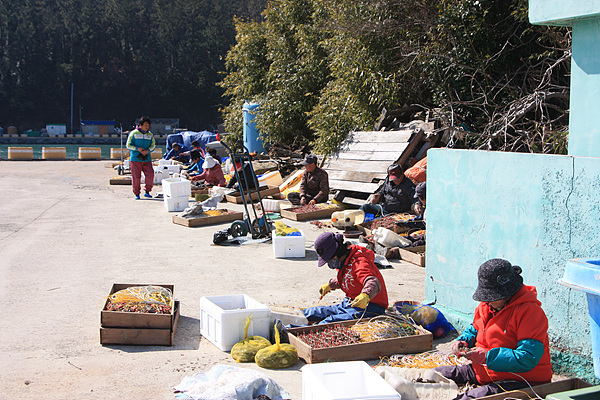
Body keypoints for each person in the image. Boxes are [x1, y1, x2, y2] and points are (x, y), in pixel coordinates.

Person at [435, 259, 552, 400]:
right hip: (485, 371)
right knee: (434, 375)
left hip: (521, 379)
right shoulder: (488, 305)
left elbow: (527, 357)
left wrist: (488, 357)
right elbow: (476, 327)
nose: (487, 301)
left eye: (492, 297)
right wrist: (464, 341)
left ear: (507, 293)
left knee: (468, 398)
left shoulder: (530, 312)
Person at [302, 232, 389, 324]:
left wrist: (366, 295)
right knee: (311, 313)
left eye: (330, 261)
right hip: (349, 303)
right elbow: (350, 278)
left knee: (328, 323)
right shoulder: (345, 260)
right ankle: (287, 323)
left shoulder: (359, 262)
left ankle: (290, 332)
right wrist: (331, 285)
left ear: (336, 255)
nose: (330, 265)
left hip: (369, 308)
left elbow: (373, 282)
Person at [126, 116, 155, 199]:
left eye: (148, 125)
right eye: (145, 125)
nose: (147, 127)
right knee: (136, 177)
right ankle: (137, 193)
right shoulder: (133, 133)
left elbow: (153, 146)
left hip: (147, 158)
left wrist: (148, 151)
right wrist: (137, 149)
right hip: (135, 159)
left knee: (150, 174)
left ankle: (147, 191)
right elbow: (128, 145)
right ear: (140, 125)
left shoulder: (150, 135)